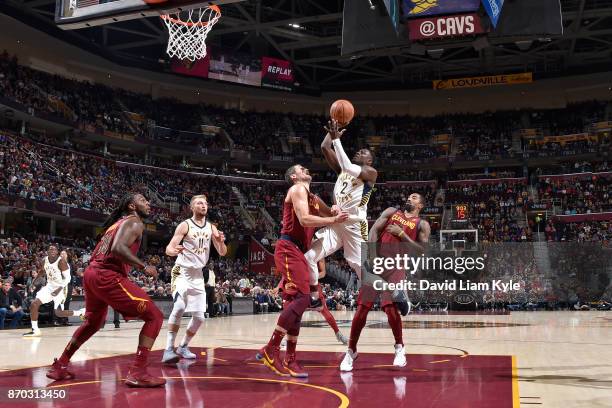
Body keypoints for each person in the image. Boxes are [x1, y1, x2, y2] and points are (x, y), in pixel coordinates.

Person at [46, 193, 166, 387]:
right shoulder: (135, 222)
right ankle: (138, 371)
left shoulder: (114, 225)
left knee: (93, 323)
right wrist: (144, 267)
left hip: (91, 274)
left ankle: (60, 365)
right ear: (131, 206)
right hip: (106, 275)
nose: (148, 203)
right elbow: (118, 249)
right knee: (155, 317)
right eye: (143, 200)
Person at [257, 164, 348, 378]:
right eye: (300, 168)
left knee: (296, 304)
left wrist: (333, 209)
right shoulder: (297, 189)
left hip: (299, 251)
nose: (305, 168)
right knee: (302, 299)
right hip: (289, 248)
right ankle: (271, 349)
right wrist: (333, 220)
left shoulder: (312, 197)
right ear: (294, 176)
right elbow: (305, 219)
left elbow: (327, 209)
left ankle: (290, 359)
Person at [340, 193, 431, 371]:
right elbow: (374, 230)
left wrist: (402, 234)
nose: (409, 199)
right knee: (361, 309)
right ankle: (351, 351)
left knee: (390, 308)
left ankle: (399, 348)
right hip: (377, 263)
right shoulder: (391, 212)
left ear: (420, 205)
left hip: (396, 266)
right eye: (409, 197)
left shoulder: (422, 224)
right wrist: (372, 256)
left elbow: (422, 251)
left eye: (413, 198)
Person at [304, 119, 377, 307]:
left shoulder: (370, 173)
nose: (358, 151)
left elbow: (346, 166)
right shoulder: (342, 171)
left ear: (369, 161)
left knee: (361, 268)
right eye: (359, 150)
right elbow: (324, 147)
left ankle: (393, 295)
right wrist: (332, 132)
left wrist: (337, 140)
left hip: (354, 224)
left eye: (363, 152)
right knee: (310, 257)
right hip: (336, 222)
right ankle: (314, 298)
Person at [162, 195, 227, 364]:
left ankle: (183, 346)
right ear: (192, 207)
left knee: (199, 318)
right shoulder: (185, 225)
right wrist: (174, 250)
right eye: (199, 203)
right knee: (179, 307)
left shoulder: (212, 227)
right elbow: (169, 248)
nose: (203, 205)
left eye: (205, 203)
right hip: (181, 271)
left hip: (198, 275)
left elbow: (222, 252)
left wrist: (220, 242)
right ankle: (169, 349)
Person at [23, 246, 83, 337]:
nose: (52, 251)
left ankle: (80, 312)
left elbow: (68, 278)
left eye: (54, 249)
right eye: (50, 249)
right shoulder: (44, 260)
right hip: (50, 286)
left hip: (61, 287)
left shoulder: (61, 262)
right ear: (47, 251)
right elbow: (42, 272)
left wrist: (58, 290)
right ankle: (35, 330)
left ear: (57, 252)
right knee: (34, 304)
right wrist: (33, 283)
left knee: (59, 313)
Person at [316, 259, 348, 344]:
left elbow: (322, 273)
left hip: (313, 285)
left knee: (325, 311)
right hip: (299, 284)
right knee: (291, 311)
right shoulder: (297, 251)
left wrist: (311, 277)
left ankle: (338, 334)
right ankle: (284, 337)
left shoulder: (319, 254)